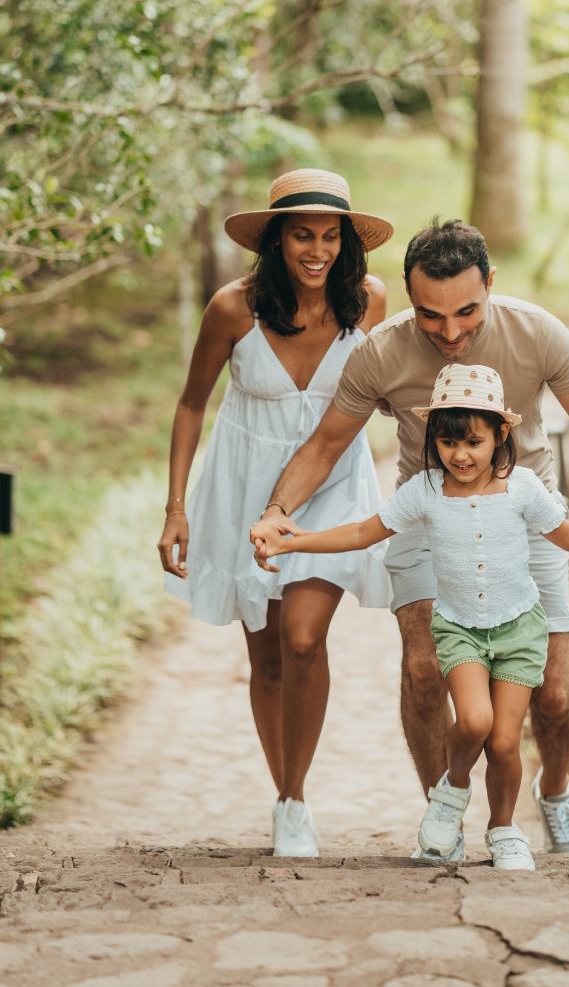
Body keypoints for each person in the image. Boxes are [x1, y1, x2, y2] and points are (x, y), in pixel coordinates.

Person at [250, 218, 569, 861]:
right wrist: (279, 512)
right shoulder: (382, 353)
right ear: (408, 297)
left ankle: (555, 791)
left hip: (525, 511)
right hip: (427, 515)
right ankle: (440, 818)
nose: (450, 332)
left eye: (467, 312)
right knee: (425, 672)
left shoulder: (538, 333)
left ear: (491, 285)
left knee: (554, 696)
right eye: (430, 315)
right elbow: (327, 443)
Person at [157, 168, 394, 859]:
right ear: (277, 241)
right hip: (241, 485)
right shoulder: (233, 308)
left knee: (301, 638)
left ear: (347, 243)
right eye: (301, 235)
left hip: (335, 483)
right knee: (264, 660)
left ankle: (296, 794)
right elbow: (191, 403)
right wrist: (176, 508)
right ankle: (287, 796)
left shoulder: (370, 301)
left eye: (328, 236)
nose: (315, 250)